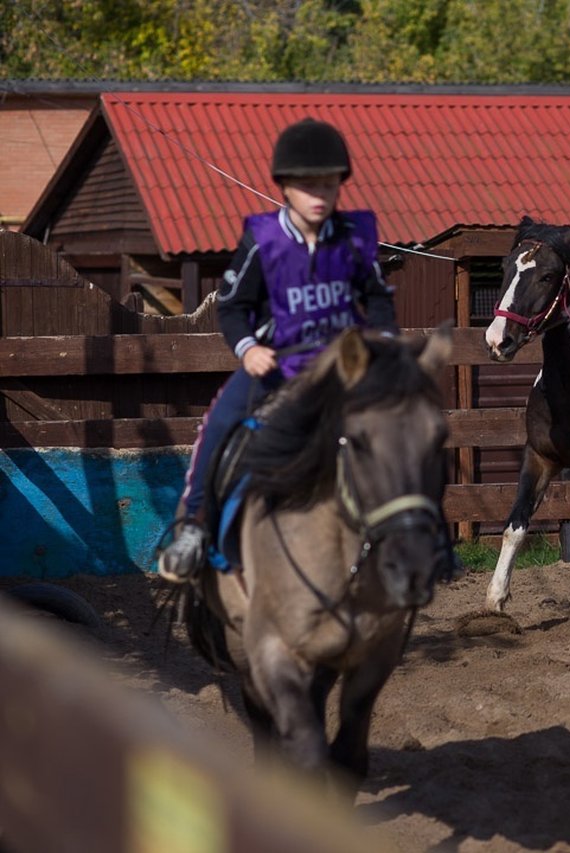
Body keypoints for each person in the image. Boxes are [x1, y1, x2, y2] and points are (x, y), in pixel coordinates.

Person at [156, 117, 397, 582]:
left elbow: (379, 299)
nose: (319, 195)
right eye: (308, 186)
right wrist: (247, 349)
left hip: (340, 368)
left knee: (404, 426)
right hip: (277, 366)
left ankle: (408, 535)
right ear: (285, 187)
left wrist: (383, 344)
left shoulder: (353, 238)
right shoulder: (262, 240)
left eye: (328, 184)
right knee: (218, 423)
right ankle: (194, 526)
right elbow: (231, 306)